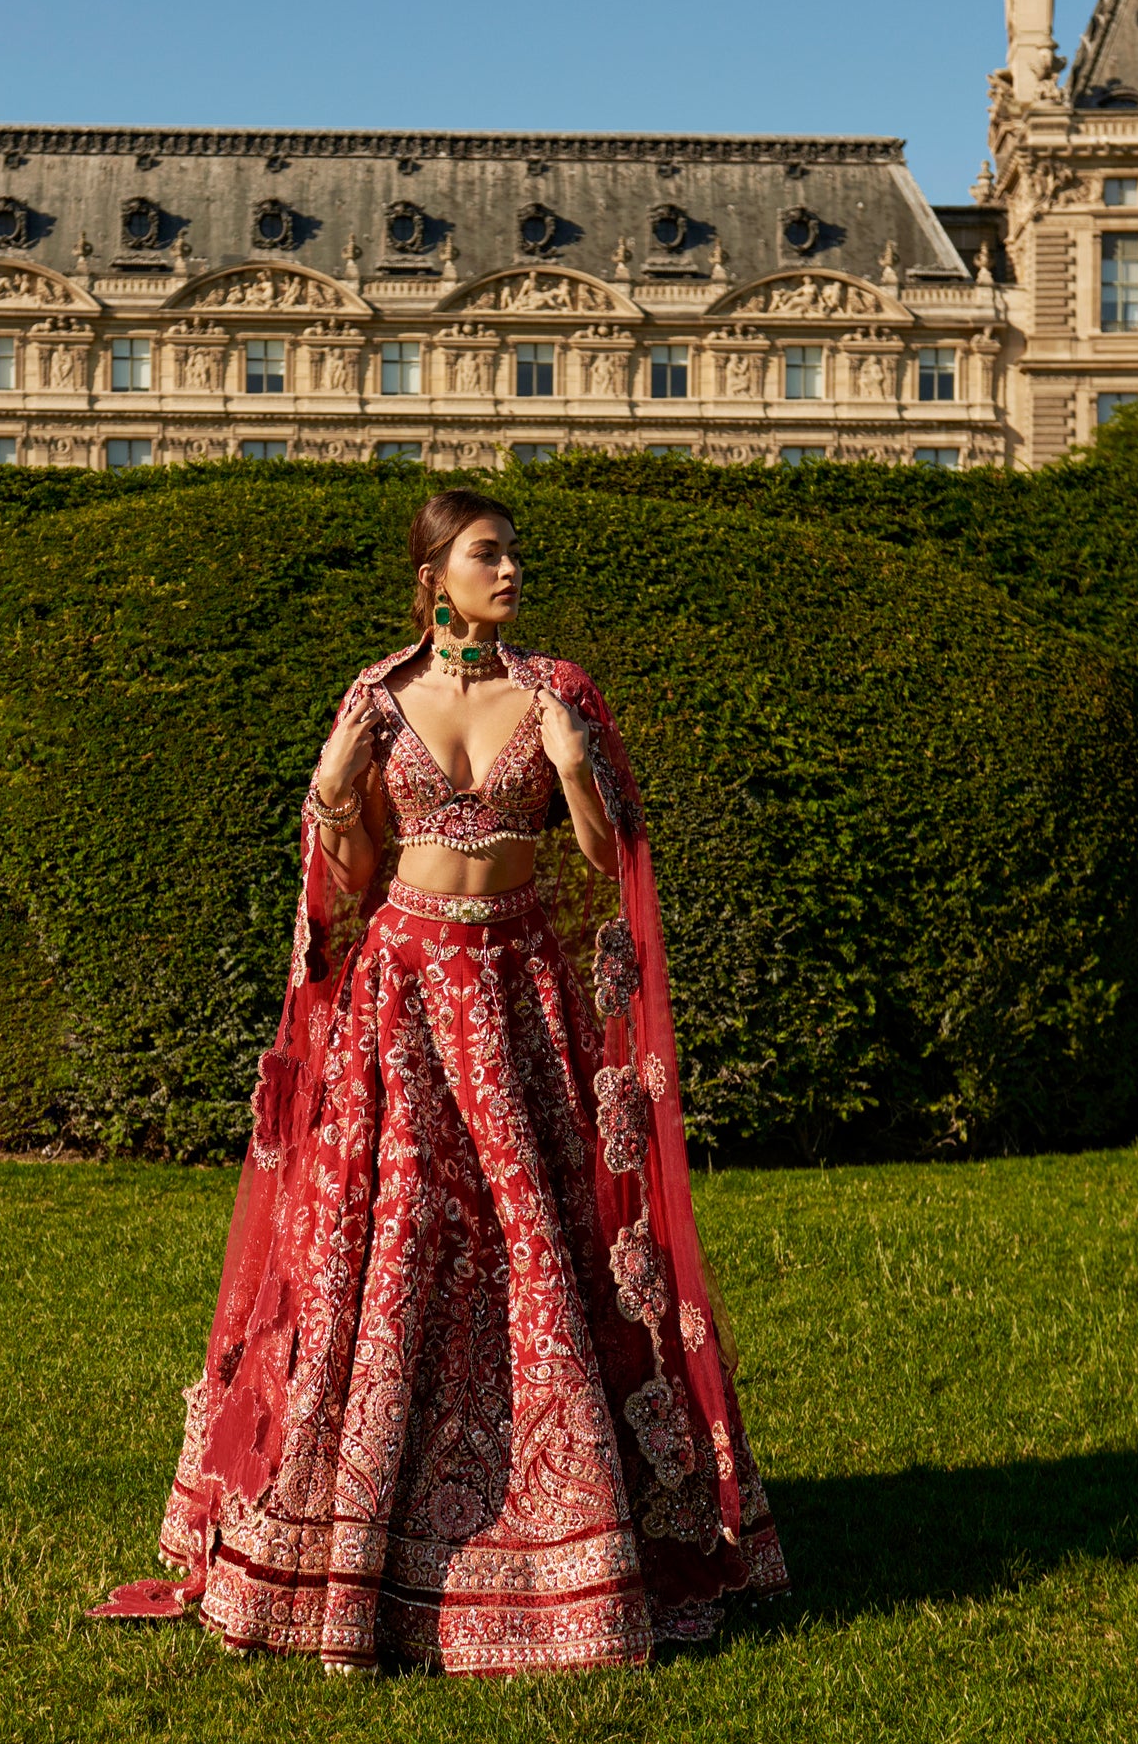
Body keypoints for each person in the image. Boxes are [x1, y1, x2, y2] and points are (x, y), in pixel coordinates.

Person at [93, 488, 787, 1675]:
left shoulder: (560, 693)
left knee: (536, 1249)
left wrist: (574, 768)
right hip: (404, 998)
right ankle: (361, 1548)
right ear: (433, 575)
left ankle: (569, 1535)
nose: (510, 569)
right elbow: (352, 871)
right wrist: (327, 784)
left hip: (517, 994)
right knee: (398, 1249)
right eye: (486, 553)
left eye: (514, 552)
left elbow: (612, 861)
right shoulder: (375, 699)